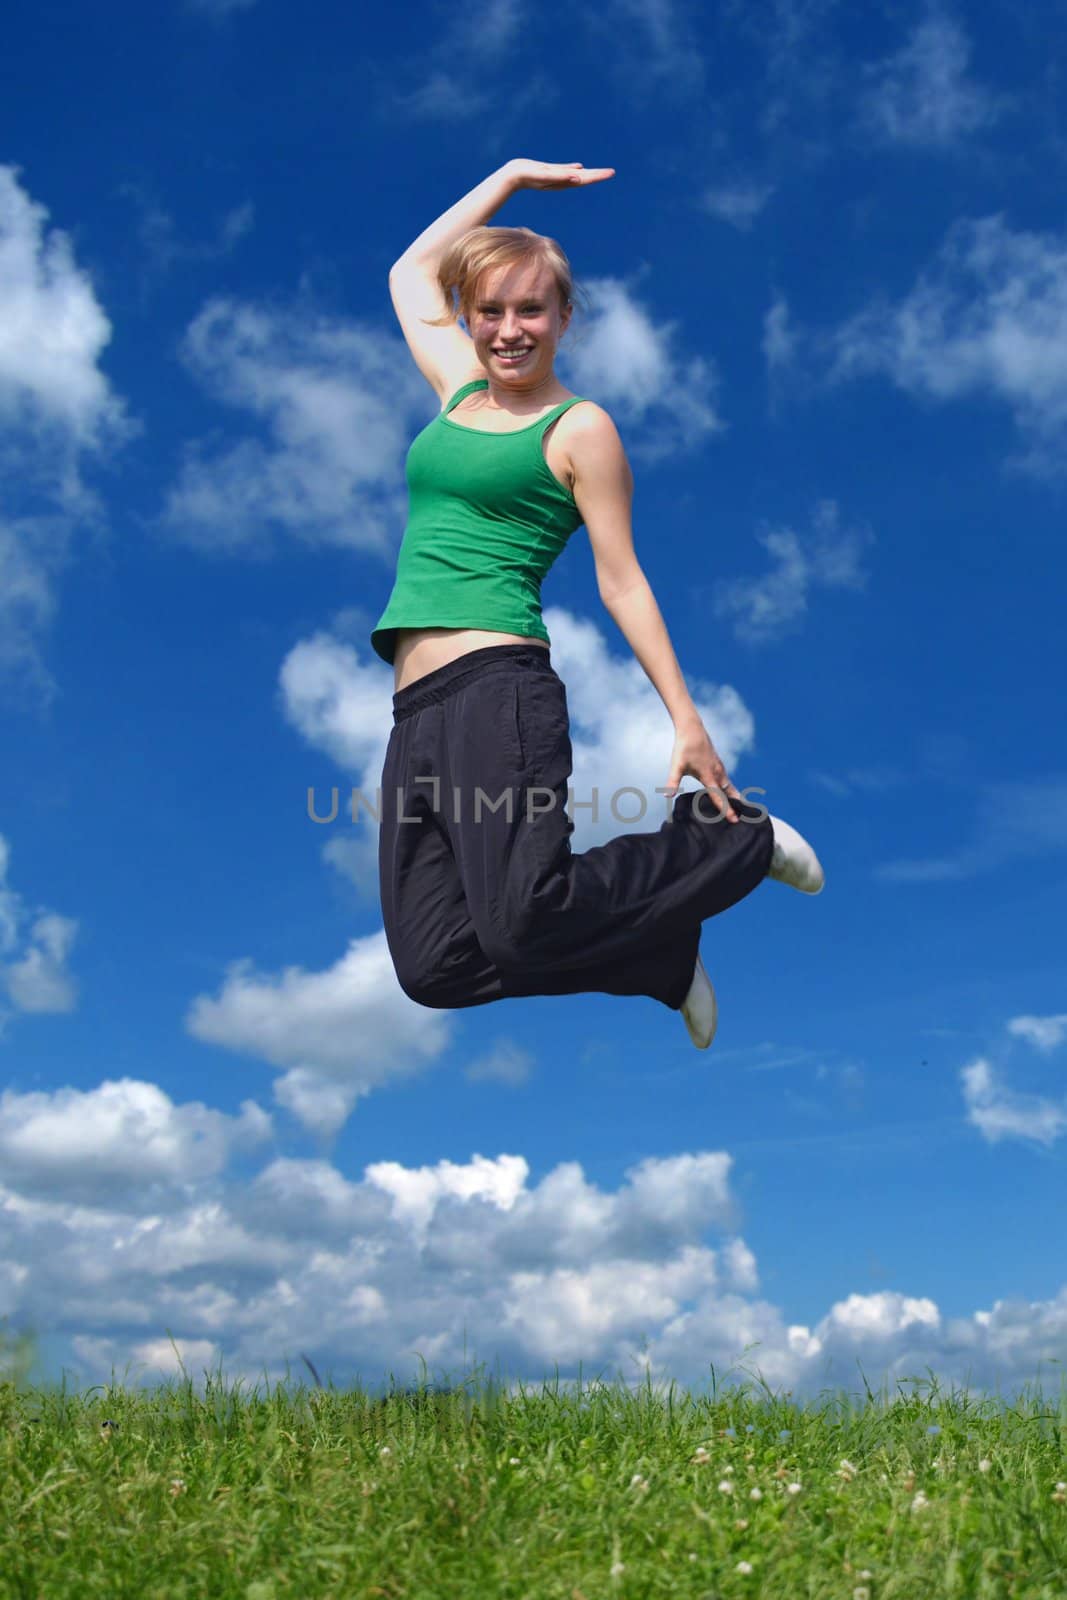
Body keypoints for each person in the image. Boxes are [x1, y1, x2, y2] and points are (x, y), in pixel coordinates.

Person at [372, 158, 823, 1050]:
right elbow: (407, 272)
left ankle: (730, 841)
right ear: (469, 319)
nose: (508, 331)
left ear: (564, 319)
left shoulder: (578, 429)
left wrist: (685, 720)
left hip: (497, 685)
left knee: (520, 916)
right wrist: (507, 179)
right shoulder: (457, 389)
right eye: (490, 312)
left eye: (530, 310)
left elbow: (621, 579)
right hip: (412, 709)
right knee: (435, 966)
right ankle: (653, 963)